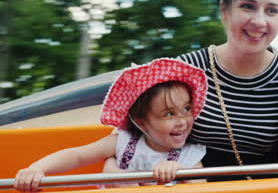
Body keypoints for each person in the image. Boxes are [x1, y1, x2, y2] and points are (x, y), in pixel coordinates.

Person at [103, 0, 278, 180]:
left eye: (272, 10)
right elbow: (129, 131)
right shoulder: (184, 70)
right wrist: (111, 167)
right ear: (225, 10)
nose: (259, 21)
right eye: (248, 6)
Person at [14, 58, 208, 192]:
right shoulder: (123, 142)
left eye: (186, 109)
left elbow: (202, 187)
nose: (182, 120)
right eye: (168, 114)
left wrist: (181, 173)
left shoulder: (189, 157)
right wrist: (37, 169)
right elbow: (77, 155)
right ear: (141, 122)